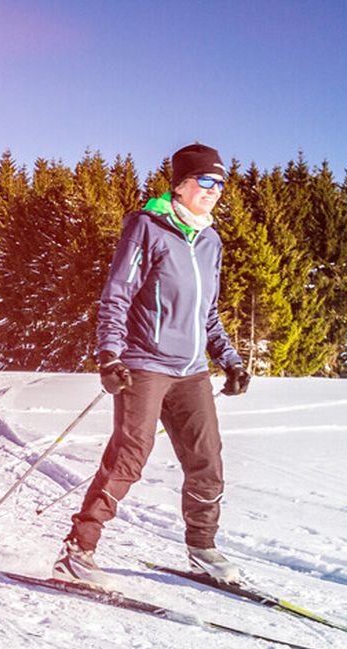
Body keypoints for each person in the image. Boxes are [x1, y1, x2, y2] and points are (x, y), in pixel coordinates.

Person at [55, 142, 251, 586]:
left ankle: (202, 548)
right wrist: (109, 354)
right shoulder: (147, 227)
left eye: (220, 183)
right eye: (205, 181)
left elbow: (208, 313)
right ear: (180, 184)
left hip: (191, 370)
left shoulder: (210, 241)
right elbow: (117, 294)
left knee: (207, 461)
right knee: (129, 457)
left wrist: (230, 361)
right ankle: (77, 549)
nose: (214, 190)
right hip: (144, 363)